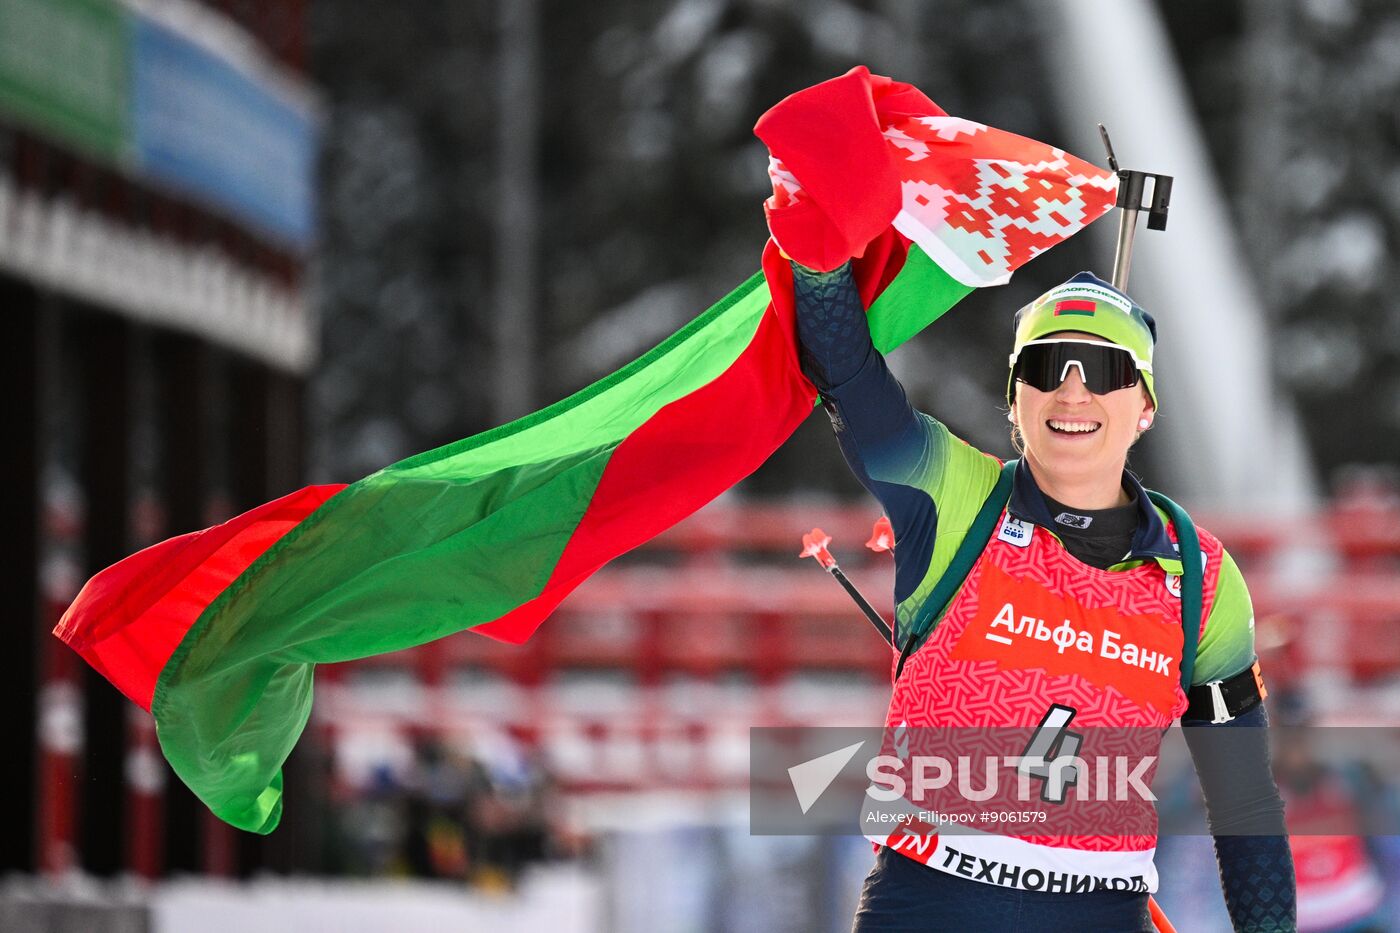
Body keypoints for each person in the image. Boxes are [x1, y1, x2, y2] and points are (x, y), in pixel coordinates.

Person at [786, 258, 1297, 931]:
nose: (1073, 392)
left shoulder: (1198, 576)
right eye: (1047, 365)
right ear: (1014, 397)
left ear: (1144, 406)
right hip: (932, 905)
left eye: (1106, 368)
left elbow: (1245, 807)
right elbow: (847, 376)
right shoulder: (955, 497)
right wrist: (816, 245)